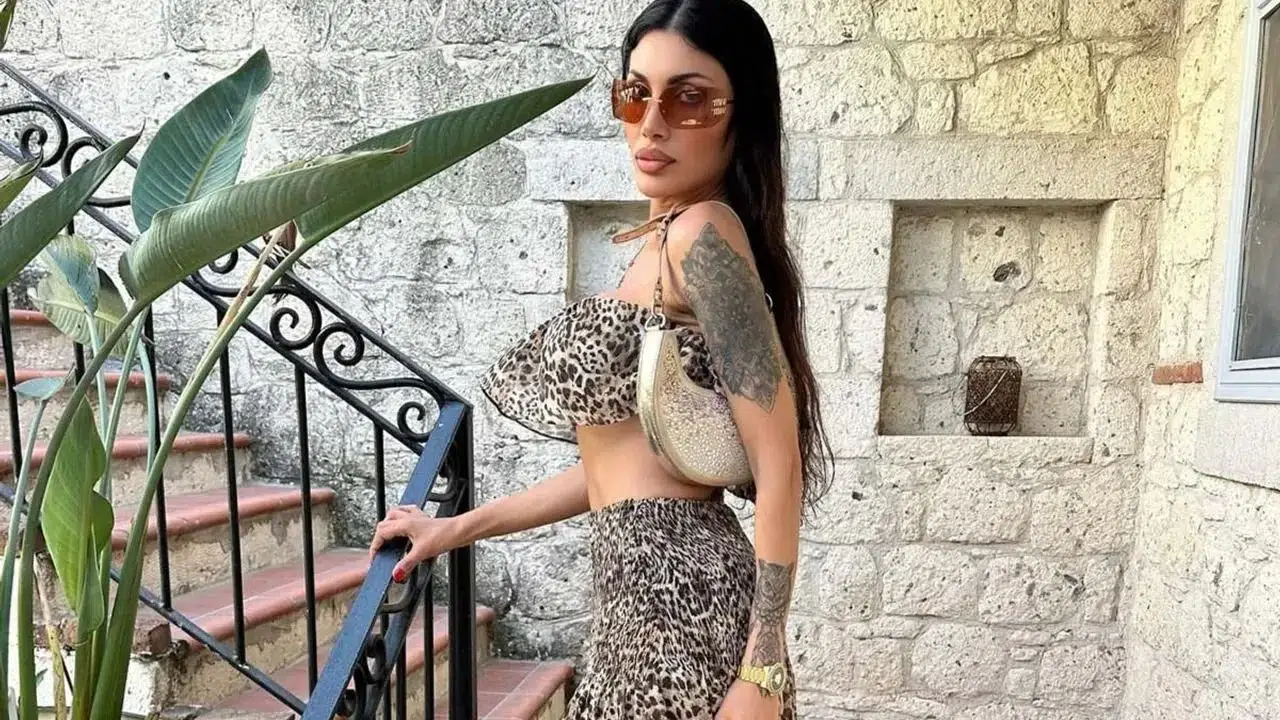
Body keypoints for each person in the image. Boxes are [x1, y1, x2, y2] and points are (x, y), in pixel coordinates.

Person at [368, 1, 832, 717]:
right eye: (635, 93)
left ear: (740, 119)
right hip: (632, 606)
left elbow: (779, 467)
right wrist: (455, 529)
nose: (652, 124)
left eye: (690, 99)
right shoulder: (661, 241)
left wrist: (763, 673)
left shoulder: (704, 235)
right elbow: (609, 469)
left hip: (684, 607)